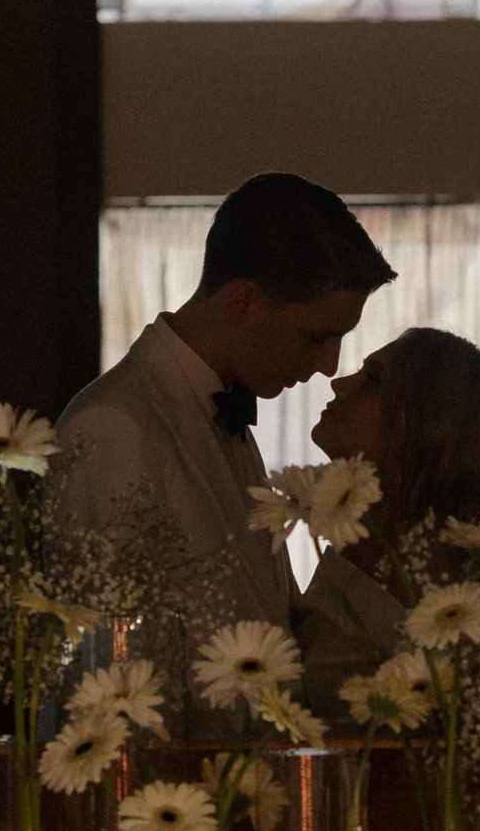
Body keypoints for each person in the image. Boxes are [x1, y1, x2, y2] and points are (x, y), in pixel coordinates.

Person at [57, 173, 396, 645]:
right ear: (243, 302)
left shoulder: (224, 410)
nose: (328, 365)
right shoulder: (114, 426)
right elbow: (109, 659)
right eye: (317, 337)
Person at [294, 327, 480, 716]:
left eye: (372, 380)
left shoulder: (435, 614)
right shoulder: (366, 544)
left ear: (427, 428)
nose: (338, 382)